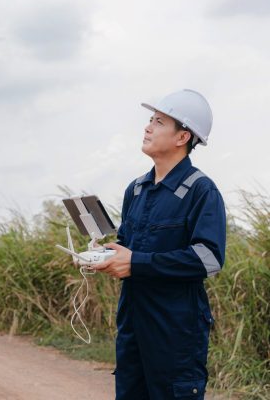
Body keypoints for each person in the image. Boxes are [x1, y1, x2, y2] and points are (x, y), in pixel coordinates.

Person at [94, 89, 226, 400]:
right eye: (149, 120)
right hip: (133, 326)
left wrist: (136, 263)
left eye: (158, 121)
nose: (147, 127)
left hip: (176, 333)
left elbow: (208, 259)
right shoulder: (136, 190)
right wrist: (100, 257)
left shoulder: (201, 191)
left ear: (182, 137)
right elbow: (127, 248)